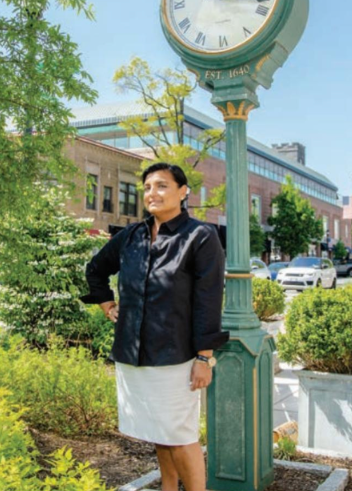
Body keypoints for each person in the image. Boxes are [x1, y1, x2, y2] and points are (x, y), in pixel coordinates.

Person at [82, 162, 228, 491]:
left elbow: (208, 301)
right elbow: (95, 269)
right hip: (133, 353)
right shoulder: (131, 236)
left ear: (183, 192)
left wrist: (204, 358)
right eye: (147, 187)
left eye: (162, 186)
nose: (152, 193)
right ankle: (167, 487)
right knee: (158, 432)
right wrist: (106, 303)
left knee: (180, 435)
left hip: (177, 356)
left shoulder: (200, 237)